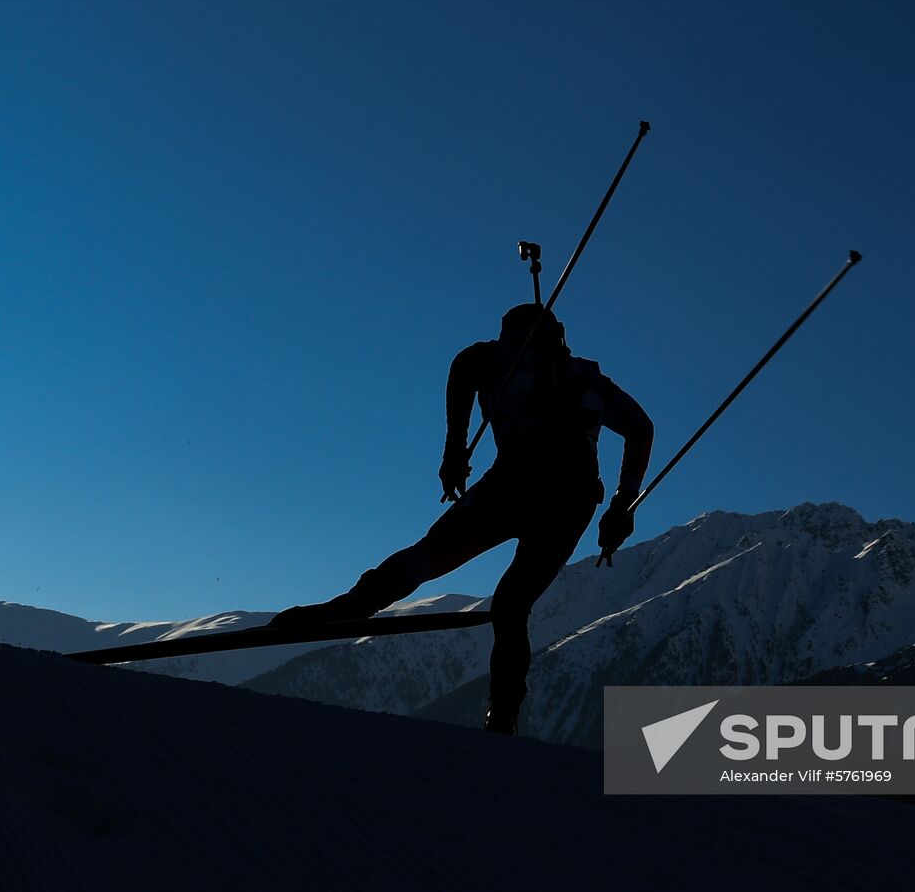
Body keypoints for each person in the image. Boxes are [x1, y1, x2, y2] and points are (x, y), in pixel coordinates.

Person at [270, 302, 653, 734]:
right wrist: (622, 504)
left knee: (484, 587)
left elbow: (464, 368)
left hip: (547, 497)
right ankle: (501, 710)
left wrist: (454, 448)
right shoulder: (571, 376)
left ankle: (358, 611)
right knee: (492, 593)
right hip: (542, 494)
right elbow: (640, 427)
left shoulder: (542, 371)